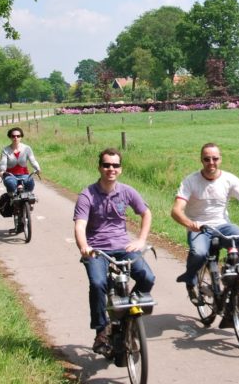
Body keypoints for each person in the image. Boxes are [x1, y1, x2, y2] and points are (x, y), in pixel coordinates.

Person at [74, 148, 155, 354]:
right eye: (107, 165)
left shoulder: (127, 191)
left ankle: (128, 312)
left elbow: (146, 213)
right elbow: (80, 225)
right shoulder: (87, 194)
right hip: (97, 250)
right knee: (98, 283)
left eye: (115, 165)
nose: (111, 169)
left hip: (123, 246)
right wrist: (85, 246)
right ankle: (102, 330)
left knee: (147, 277)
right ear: (100, 167)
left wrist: (141, 239)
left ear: (120, 168)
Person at [171, 142, 239, 306]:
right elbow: (176, 210)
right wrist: (190, 224)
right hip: (200, 228)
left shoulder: (229, 179)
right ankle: (190, 278)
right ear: (201, 160)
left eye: (215, 159)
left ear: (220, 159)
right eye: (207, 159)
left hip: (222, 226)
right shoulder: (190, 181)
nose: (211, 163)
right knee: (199, 253)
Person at [0, 127, 41, 197]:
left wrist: (37, 168)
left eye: (18, 136)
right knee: (10, 183)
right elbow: (3, 162)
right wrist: (2, 171)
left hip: (24, 175)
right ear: (10, 137)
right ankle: (11, 198)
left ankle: (29, 203)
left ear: (21, 137)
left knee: (30, 183)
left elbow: (32, 160)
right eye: (13, 136)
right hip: (10, 175)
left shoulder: (27, 148)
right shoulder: (5, 150)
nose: (16, 138)